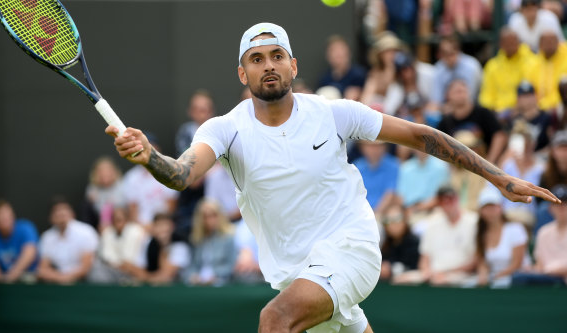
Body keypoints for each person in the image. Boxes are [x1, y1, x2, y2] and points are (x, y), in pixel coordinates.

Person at [106, 22, 558, 333]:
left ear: (294, 65)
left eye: (277, 56)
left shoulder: (335, 113)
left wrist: (499, 178)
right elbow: (183, 174)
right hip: (295, 271)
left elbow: (420, 135)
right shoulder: (223, 129)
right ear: (242, 73)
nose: (268, 65)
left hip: (351, 249)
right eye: (257, 59)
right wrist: (149, 156)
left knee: (275, 321)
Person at [394, 186, 478, 286]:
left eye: (451, 199)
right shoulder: (432, 224)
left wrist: (446, 273)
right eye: (442, 200)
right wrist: (427, 272)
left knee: (443, 281)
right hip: (434, 274)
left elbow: (475, 262)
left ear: (457, 199)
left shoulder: (474, 222)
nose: (447, 203)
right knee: (400, 279)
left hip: (461, 275)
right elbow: (424, 258)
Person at [437, 79, 508, 165]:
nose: (460, 95)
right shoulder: (445, 122)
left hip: (483, 163)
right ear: (448, 96)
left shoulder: (482, 113)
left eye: (463, 91)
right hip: (458, 168)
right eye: (457, 92)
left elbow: (499, 136)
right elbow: (439, 147)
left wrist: (490, 162)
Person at [513, 184, 567, 286]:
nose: (561, 208)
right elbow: (539, 264)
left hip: (561, 280)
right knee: (518, 277)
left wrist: (551, 269)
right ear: (551, 208)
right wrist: (531, 269)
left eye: (565, 204)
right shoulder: (543, 232)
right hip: (547, 279)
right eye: (557, 204)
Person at [475, 187, 529, 288]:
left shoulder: (516, 229)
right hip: (494, 282)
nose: (490, 211)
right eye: (486, 207)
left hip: (517, 282)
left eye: (493, 206)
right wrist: (483, 275)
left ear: (501, 207)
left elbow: (517, 264)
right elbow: (482, 263)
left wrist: (495, 277)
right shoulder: (481, 234)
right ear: (481, 211)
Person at [37, 197, 99, 284]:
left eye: (64, 210)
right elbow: (43, 269)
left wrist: (64, 277)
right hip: (58, 282)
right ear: (51, 217)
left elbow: (86, 267)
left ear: (72, 213)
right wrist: (60, 278)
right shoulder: (47, 237)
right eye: (56, 211)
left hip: (86, 281)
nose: (61, 213)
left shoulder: (86, 232)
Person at [479, 28, 538, 115]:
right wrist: (493, 112)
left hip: (525, 111)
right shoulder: (492, 66)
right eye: (507, 43)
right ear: (500, 44)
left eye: (513, 42)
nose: (511, 46)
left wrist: (518, 108)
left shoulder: (532, 61)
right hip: (499, 113)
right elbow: (486, 97)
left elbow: (534, 91)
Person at [123, 212, 191, 284]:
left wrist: (144, 278)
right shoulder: (148, 243)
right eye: (159, 225)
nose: (162, 229)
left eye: (165, 225)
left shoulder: (180, 246)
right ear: (153, 228)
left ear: (172, 227)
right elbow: (137, 268)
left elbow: (166, 276)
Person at [89, 206, 147, 284]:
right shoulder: (107, 232)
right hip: (114, 271)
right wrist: (119, 264)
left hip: (133, 271)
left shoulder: (136, 231)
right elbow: (107, 256)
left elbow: (129, 258)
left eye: (120, 220)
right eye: (115, 220)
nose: (117, 223)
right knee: (96, 270)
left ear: (126, 220)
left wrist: (125, 265)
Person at [0, 199, 38, 283]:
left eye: (6, 212)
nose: (4, 217)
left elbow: (29, 254)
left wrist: (10, 277)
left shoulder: (25, 228)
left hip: (27, 277)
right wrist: (3, 280)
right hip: (3, 279)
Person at [186, 199, 237, 286]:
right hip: (199, 283)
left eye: (213, 215)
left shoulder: (228, 237)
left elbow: (232, 265)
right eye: (205, 216)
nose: (210, 220)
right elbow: (192, 265)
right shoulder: (197, 239)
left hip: (221, 282)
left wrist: (214, 275)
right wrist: (193, 275)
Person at [432, 36, 482, 106]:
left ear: (458, 51)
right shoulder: (438, 69)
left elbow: (471, 98)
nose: (449, 58)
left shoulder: (472, 66)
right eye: (445, 54)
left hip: (470, 108)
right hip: (446, 110)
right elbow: (436, 100)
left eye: (451, 54)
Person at [81, 156, 126, 231]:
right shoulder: (92, 188)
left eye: (108, 171)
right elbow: (94, 211)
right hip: (98, 224)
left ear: (114, 171)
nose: (105, 174)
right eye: (101, 171)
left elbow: (122, 208)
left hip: (119, 222)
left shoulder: (122, 186)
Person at [378, 203, 420, 283]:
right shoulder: (384, 243)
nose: (392, 224)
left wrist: (391, 269)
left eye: (397, 219)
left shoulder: (414, 243)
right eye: (387, 220)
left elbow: (416, 270)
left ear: (405, 219)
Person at [317, 35, 367, 100]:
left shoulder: (360, 75)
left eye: (341, 49)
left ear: (348, 53)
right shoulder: (324, 79)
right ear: (328, 55)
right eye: (333, 50)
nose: (338, 53)